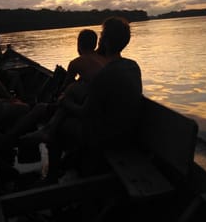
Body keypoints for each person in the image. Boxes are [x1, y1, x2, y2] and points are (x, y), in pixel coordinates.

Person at [46, 16, 144, 180]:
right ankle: (74, 159)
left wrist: (65, 102)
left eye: (102, 34)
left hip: (108, 139)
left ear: (104, 41)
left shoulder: (105, 74)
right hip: (129, 133)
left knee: (59, 127)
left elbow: (85, 113)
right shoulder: (133, 66)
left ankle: (52, 175)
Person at [21, 29, 107, 143]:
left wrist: (59, 95)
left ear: (79, 45)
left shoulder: (76, 62)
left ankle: (11, 138)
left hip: (89, 109)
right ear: (95, 44)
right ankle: (48, 130)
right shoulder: (103, 60)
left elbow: (66, 87)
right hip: (99, 106)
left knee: (41, 107)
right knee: (71, 92)